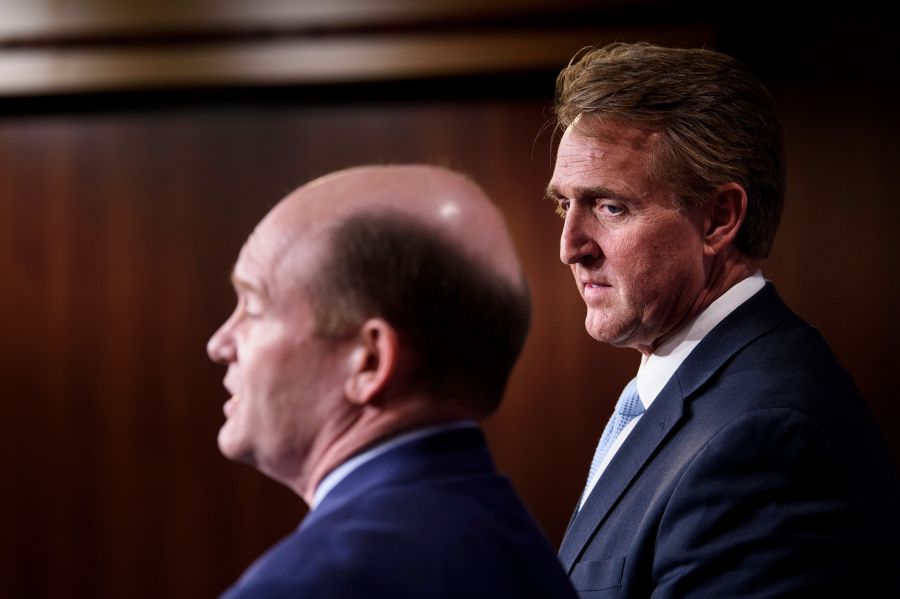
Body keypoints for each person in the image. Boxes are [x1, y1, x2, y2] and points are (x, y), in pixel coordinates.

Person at [546, 42, 899, 597]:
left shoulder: (763, 442)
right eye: (566, 205)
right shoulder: (703, 391)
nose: (571, 248)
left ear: (718, 218)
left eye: (610, 207)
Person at [206, 164, 577, 599]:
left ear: (370, 361)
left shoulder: (309, 585)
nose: (219, 343)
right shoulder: (520, 549)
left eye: (253, 307)